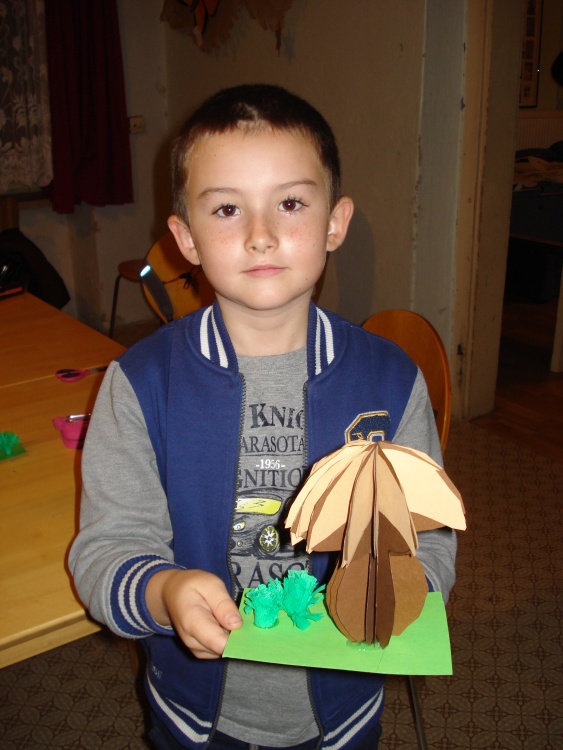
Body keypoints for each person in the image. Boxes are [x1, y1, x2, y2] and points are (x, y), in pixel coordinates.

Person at [69, 84, 457, 750]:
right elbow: (108, 549)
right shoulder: (139, 383)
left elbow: (430, 540)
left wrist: (402, 589)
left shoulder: (391, 382)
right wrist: (163, 591)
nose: (260, 235)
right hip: (196, 716)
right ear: (185, 239)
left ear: (335, 222)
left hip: (341, 713)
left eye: (290, 203)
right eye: (227, 208)